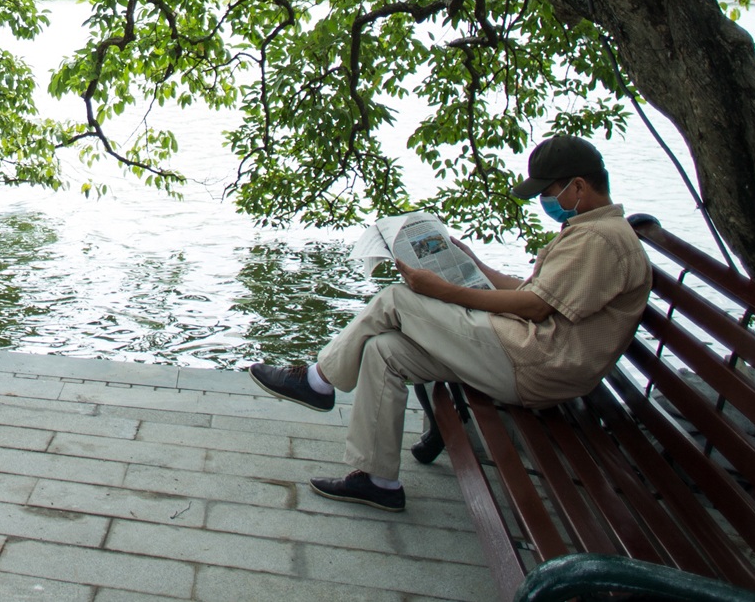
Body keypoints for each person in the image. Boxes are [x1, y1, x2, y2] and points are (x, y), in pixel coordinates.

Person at [246, 135, 649, 512]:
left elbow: (537, 307)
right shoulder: (589, 231)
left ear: (578, 187)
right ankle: (376, 480)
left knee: (398, 300)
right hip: (526, 352)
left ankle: (318, 380)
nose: (544, 200)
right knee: (384, 351)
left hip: (536, 362)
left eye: (547, 192)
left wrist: (444, 290)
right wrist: (472, 264)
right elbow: (532, 291)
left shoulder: (601, 239)